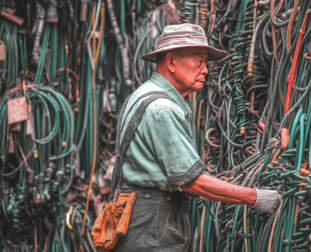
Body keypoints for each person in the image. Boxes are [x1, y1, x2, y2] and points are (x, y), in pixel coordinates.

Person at [112, 23, 281, 252]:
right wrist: (256, 197)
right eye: (199, 61)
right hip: (152, 226)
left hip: (138, 218)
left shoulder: (141, 95)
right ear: (171, 62)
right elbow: (192, 181)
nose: (206, 70)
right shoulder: (163, 109)